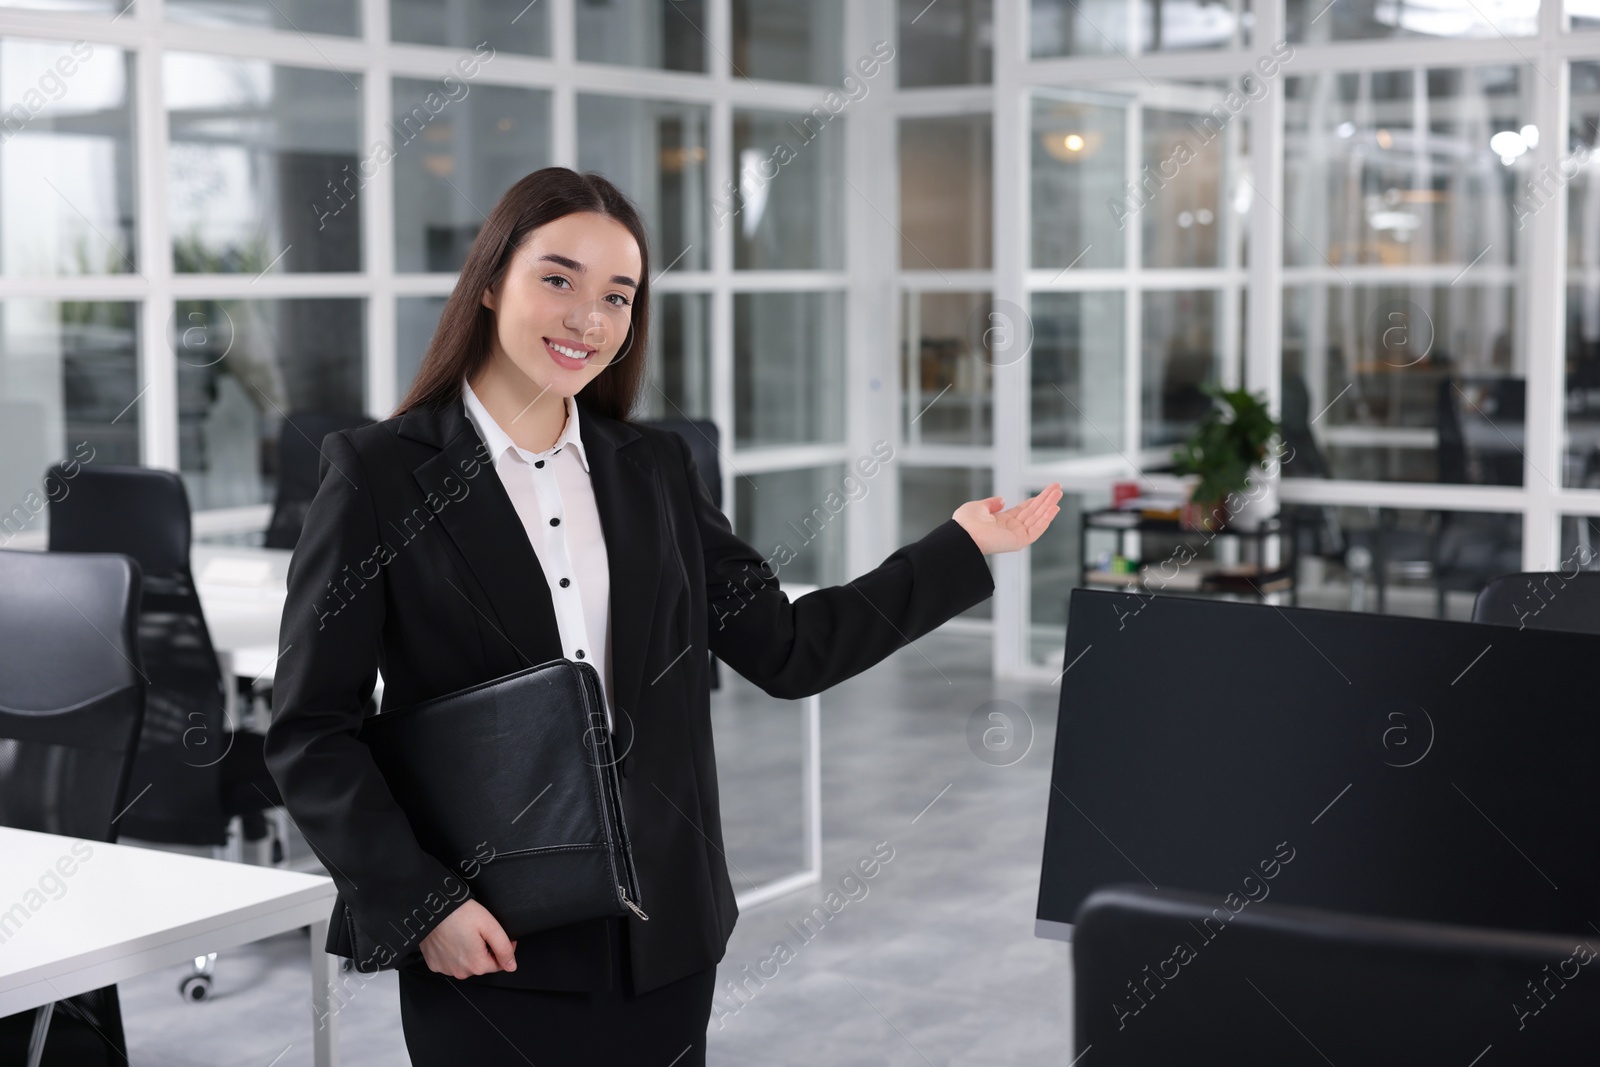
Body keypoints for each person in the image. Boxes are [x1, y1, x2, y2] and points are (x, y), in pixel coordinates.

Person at [264, 166, 1063, 1066]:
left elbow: (788, 649)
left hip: (664, 940)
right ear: (490, 282)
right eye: (557, 279)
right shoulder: (376, 473)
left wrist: (956, 549)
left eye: (618, 295)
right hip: (488, 934)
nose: (588, 319)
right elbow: (310, 732)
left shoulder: (656, 468)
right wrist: (424, 905)